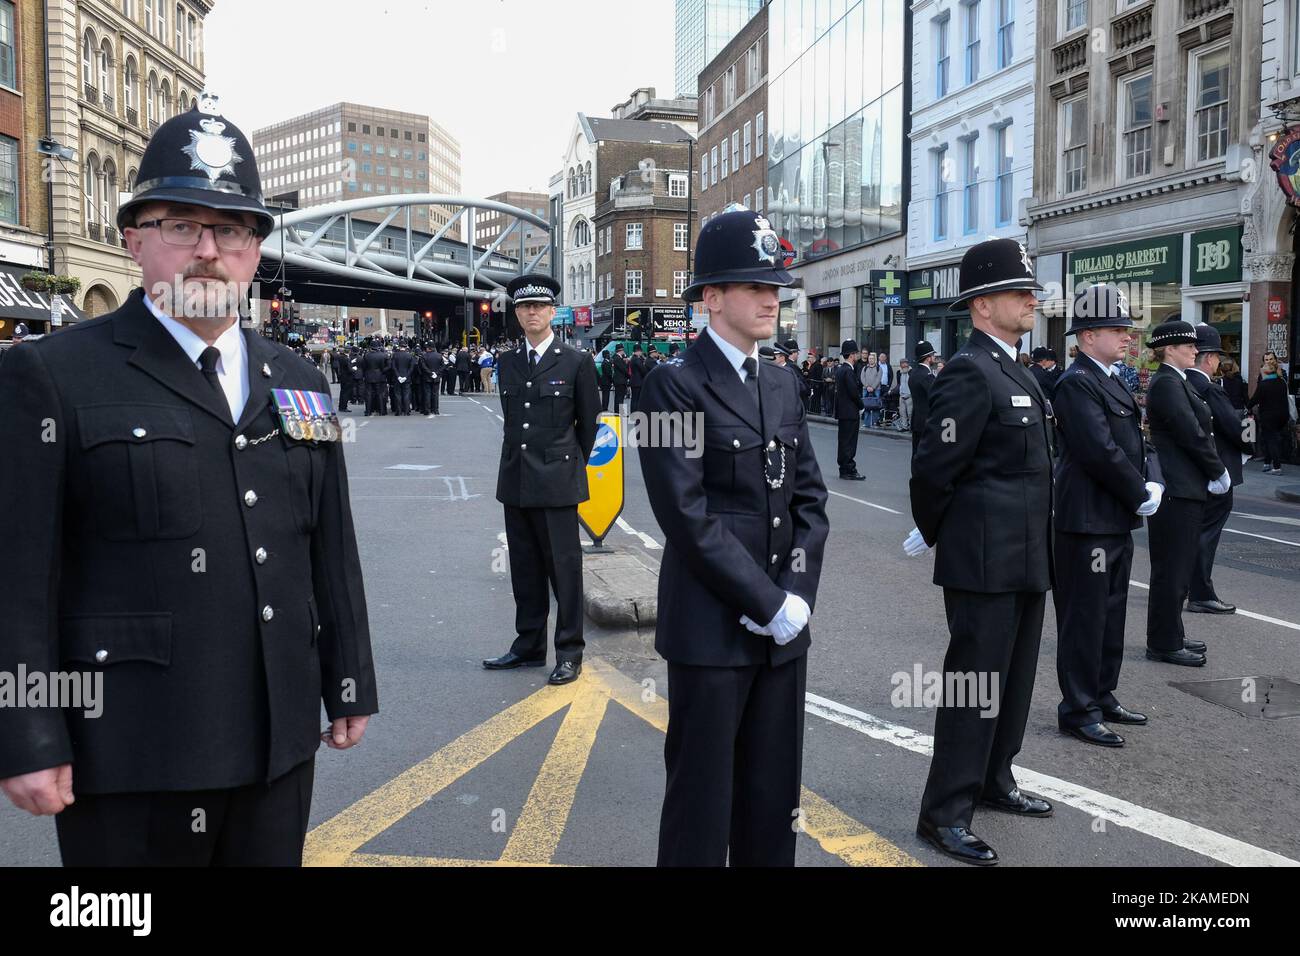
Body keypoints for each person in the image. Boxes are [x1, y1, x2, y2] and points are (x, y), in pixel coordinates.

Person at [0, 94, 377, 866]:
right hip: (130, 750)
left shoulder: (299, 378)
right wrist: (27, 731)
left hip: (276, 738)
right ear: (136, 239)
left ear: (256, 249)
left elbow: (329, 544)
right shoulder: (52, 374)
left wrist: (350, 678)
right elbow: (17, 575)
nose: (208, 249)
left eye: (232, 228)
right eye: (181, 226)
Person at [638, 208, 829, 866]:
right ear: (711, 298)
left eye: (774, 287)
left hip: (782, 632)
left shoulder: (781, 381)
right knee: (701, 804)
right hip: (713, 632)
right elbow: (685, 515)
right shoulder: (670, 387)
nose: (770, 299)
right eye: (754, 287)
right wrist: (766, 602)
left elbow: (809, 499)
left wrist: (797, 594)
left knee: (773, 803)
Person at [904, 238, 1055, 866]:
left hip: (1025, 557)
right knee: (974, 687)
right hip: (983, 559)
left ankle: (996, 779)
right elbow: (935, 469)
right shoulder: (969, 369)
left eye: (1030, 291)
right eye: (1019, 292)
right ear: (983, 305)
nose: (1031, 300)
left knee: (1014, 681)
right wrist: (942, 532)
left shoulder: (1017, 367)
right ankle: (945, 813)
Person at [1051, 284, 1162, 749]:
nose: (1126, 337)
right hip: (1087, 520)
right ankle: (1078, 708)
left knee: (1112, 612)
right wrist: (1138, 490)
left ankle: (1102, 692)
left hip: (1113, 516)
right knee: (1086, 616)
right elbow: (1099, 450)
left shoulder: (1112, 377)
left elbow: (1136, 440)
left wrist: (1150, 480)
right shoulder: (1077, 382)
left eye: (1125, 329)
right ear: (1087, 335)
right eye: (1117, 330)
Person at [483, 274, 600, 686]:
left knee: (564, 572)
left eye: (539, 306)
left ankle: (570, 652)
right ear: (515, 314)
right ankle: (528, 645)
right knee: (526, 569)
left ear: (552, 311)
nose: (531, 312)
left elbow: (588, 425)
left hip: (557, 482)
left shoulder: (576, 361)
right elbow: (513, 422)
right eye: (523, 307)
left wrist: (565, 467)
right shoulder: (508, 362)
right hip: (515, 480)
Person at [1144, 319, 1230, 666]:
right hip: (1176, 488)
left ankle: (1171, 634)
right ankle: (1164, 641)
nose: (1196, 350)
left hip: (1186, 486)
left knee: (1178, 568)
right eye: (1188, 345)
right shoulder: (1166, 383)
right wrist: (1217, 469)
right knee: (1171, 569)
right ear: (1169, 349)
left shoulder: (1176, 382)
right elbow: (1191, 433)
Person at [1187, 325, 1249, 614]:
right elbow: (1237, 431)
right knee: (1207, 535)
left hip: (1190, 473)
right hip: (1216, 473)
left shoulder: (1179, 383)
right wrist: (1251, 434)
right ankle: (1200, 592)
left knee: (1192, 532)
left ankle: (1186, 585)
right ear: (1209, 358)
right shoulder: (1210, 389)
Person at [1248, 355, 1291, 475]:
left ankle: (1276, 467)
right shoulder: (1281, 382)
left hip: (1269, 416)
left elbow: (1255, 399)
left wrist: (1248, 407)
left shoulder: (1264, 384)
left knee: (1271, 440)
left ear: (1265, 372)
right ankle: (1267, 463)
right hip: (1283, 416)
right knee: (1270, 439)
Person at [835, 341, 866, 479]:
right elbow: (853, 392)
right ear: (852, 355)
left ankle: (843, 467)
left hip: (843, 411)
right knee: (850, 442)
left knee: (843, 441)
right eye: (856, 353)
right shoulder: (848, 371)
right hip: (850, 411)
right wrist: (861, 405)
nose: (857, 355)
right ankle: (849, 469)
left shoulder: (841, 369)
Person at [909, 341, 937, 453]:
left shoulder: (913, 374)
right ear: (928, 358)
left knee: (916, 453)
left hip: (916, 420)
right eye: (933, 355)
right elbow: (936, 397)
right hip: (927, 421)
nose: (934, 357)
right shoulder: (927, 376)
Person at [361, 338, 390, 415]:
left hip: (369, 376)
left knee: (368, 394)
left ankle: (368, 411)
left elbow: (363, 366)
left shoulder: (366, 355)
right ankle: (381, 411)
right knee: (380, 394)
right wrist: (383, 370)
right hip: (380, 376)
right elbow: (389, 366)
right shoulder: (383, 355)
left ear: (371, 347)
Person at [391, 342, 417, 416]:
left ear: (399, 347)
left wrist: (398, 376)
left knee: (397, 394)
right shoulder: (410, 355)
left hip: (397, 377)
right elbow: (411, 368)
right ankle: (406, 411)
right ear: (406, 347)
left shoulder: (395, 355)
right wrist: (406, 376)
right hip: (407, 377)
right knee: (406, 394)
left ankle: (398, 411)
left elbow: (393, 367)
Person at [419, 342, 444, 416]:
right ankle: (435, 409)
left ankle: (427, 410)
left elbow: (423, 367)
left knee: (427, 394)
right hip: (436, 377)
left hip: (427, 377)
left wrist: (430, 373)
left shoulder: (424, 356)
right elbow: (442, 366)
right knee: (435, 394)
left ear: (428, 348)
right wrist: (436, 373)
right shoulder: (439, 356)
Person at [859, 351, 882, 428]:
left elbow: (878, 378)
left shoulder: (879, 368)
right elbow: (862, 378)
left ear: (875, 359)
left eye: (872, 358)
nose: (871, 360)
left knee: (876, 406)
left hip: (876, 389)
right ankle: (867, 423)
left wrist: (873, 387)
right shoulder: (865, 368)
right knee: (866, 406)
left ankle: (875, 422)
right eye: (869, 358)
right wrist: (867, 386)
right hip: (865, 389)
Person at [611, 344, 630, 411]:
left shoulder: (616, 358)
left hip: (618, 380)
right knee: (620, 398)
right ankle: (620, 412)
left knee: (618, 397)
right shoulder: (618, 358)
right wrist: (626, 363)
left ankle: (617, 412)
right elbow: (623, 369)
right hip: (620, 380)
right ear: (621, 350)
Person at [629, 343, 647, 412]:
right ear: (638, 351)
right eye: (641, 351)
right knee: (636, 399)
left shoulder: (633, 358)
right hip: (638, 382)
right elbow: (643, 369)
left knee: (634, 398)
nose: (641, 353)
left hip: (634, 381)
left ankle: (633, 412)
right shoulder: (637, 359)